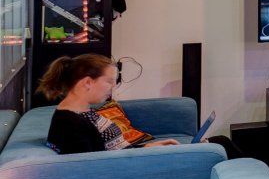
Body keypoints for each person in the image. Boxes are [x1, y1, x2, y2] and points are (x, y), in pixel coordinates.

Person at [39, 54, 182, 153]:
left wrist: (147, 147)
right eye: (109, 81)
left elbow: (113, 154)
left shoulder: (82, 112)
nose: (113, 87)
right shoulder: (69, 124)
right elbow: (99, 168)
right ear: (87, 82)